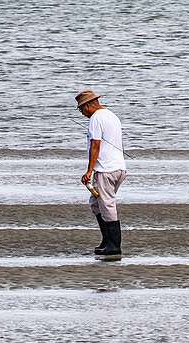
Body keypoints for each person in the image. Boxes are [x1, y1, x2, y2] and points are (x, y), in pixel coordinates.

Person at [75, 90, 126, 257]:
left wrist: (89, 170)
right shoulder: (112, 116)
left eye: (81, 110)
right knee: (96, 204)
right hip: (118, 168)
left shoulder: (96, 118)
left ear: (88, 105)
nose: (82, 114)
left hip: (106, 169)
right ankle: (106, 241)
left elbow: (95, 145)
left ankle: (114, 246)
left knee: (107, 204)